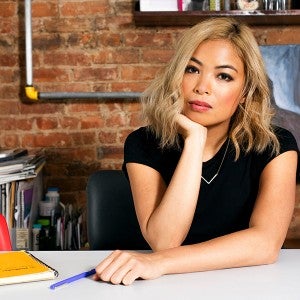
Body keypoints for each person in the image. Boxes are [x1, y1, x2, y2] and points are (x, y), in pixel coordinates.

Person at [93, 17, 299, 285]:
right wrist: (194, 140)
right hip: (160, 288)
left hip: (245, 284)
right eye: (191, 69)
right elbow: (165, 241)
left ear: (246, 91)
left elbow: (266, 243)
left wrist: (159, 263)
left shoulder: (276, 145)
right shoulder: (143, 142)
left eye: (223, 76)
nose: (202, 87)